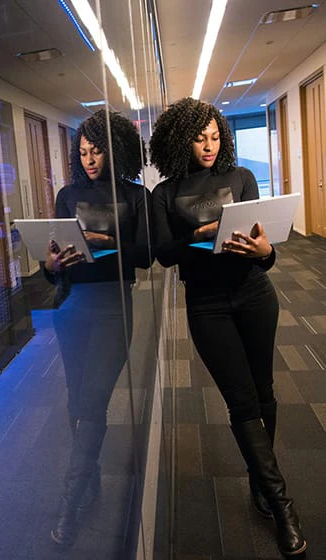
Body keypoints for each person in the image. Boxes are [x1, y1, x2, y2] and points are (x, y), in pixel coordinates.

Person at [150, 97, 306, 557]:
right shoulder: (165, 193)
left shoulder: (241, 178)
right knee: (241, 402)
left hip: (255, 293)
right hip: (207, 304)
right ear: (181, 140)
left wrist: (265, 253)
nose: (210, 146)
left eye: (216, 137)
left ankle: (261, 481)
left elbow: (265, 247)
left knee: (264, 392)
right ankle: (283, 508)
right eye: (200, 138)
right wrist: (200, 235)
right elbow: (163, 253)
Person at [43, 109, 152, 546]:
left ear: (115, 149)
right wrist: (51, 265)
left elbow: (145, 257)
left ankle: (71, 501)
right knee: (76, 401)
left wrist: (105, 242)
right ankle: (90, 480)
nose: (89, 159)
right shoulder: (67, 195)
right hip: (72, 307)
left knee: (93, 401)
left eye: (97, 150)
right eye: (83, 152)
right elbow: (54, 267)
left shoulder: (134, 195)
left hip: (113, 308)